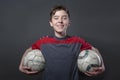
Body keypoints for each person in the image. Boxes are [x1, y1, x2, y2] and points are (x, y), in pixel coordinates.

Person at [19, 5, 105, 80]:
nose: (60, 21)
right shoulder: (43, 41)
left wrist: (102, 66)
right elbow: (28, 50)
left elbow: (95, 50)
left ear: (69, 22)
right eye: (56, 18)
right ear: (51, 23)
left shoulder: (77, 41)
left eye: (64, 18)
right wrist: (20, 65)